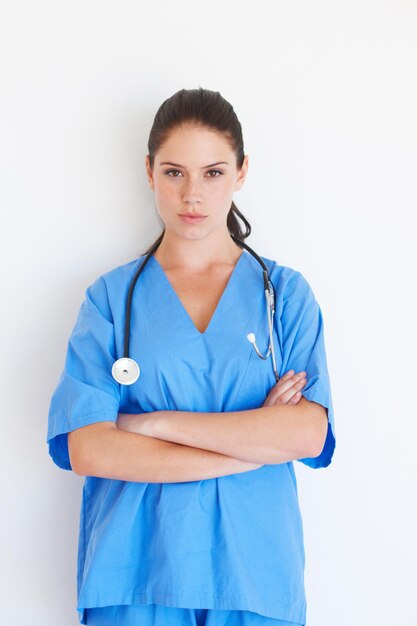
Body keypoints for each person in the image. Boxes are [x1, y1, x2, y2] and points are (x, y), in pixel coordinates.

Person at [46, 87, 336, 626]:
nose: (192, 195)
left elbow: (307, 434)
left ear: (242, 172)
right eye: (175, 172)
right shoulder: (111, 299)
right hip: (135, 570)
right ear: (150, 172)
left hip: (253, 573)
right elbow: (90, 449)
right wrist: (253, 446)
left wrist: (150, 423)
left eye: (213, 172)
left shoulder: (284, 295)